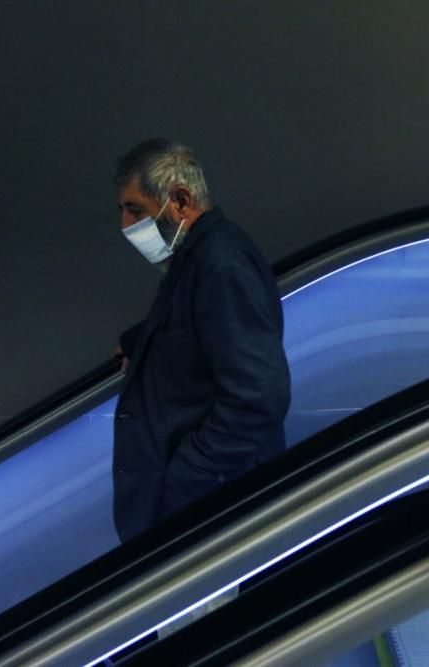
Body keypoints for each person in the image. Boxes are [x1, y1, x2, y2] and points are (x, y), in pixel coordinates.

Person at [111, 138, 290, 543]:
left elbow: (259, 397)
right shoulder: (197, 260)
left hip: (211, 517)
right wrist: (141, 345)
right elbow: (197, 333)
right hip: (199, 511)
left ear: (179, 200)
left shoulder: (221, 264)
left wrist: (187, 479)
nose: (125, 225)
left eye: (135, 209)